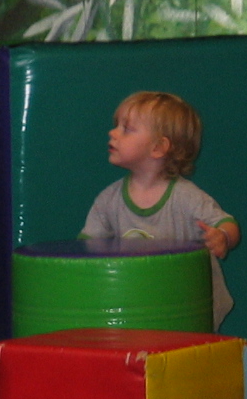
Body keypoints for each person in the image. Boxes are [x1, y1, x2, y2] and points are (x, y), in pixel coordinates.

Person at [80, 91, 239, 327]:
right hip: (141, 301)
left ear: (158, 147)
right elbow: (88, 247)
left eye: (127, 129)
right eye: (116, 126)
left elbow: (227, 223)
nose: (113, 133)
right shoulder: (108, 200)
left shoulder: (186, 197)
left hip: (190, 302)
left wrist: (223, 237)